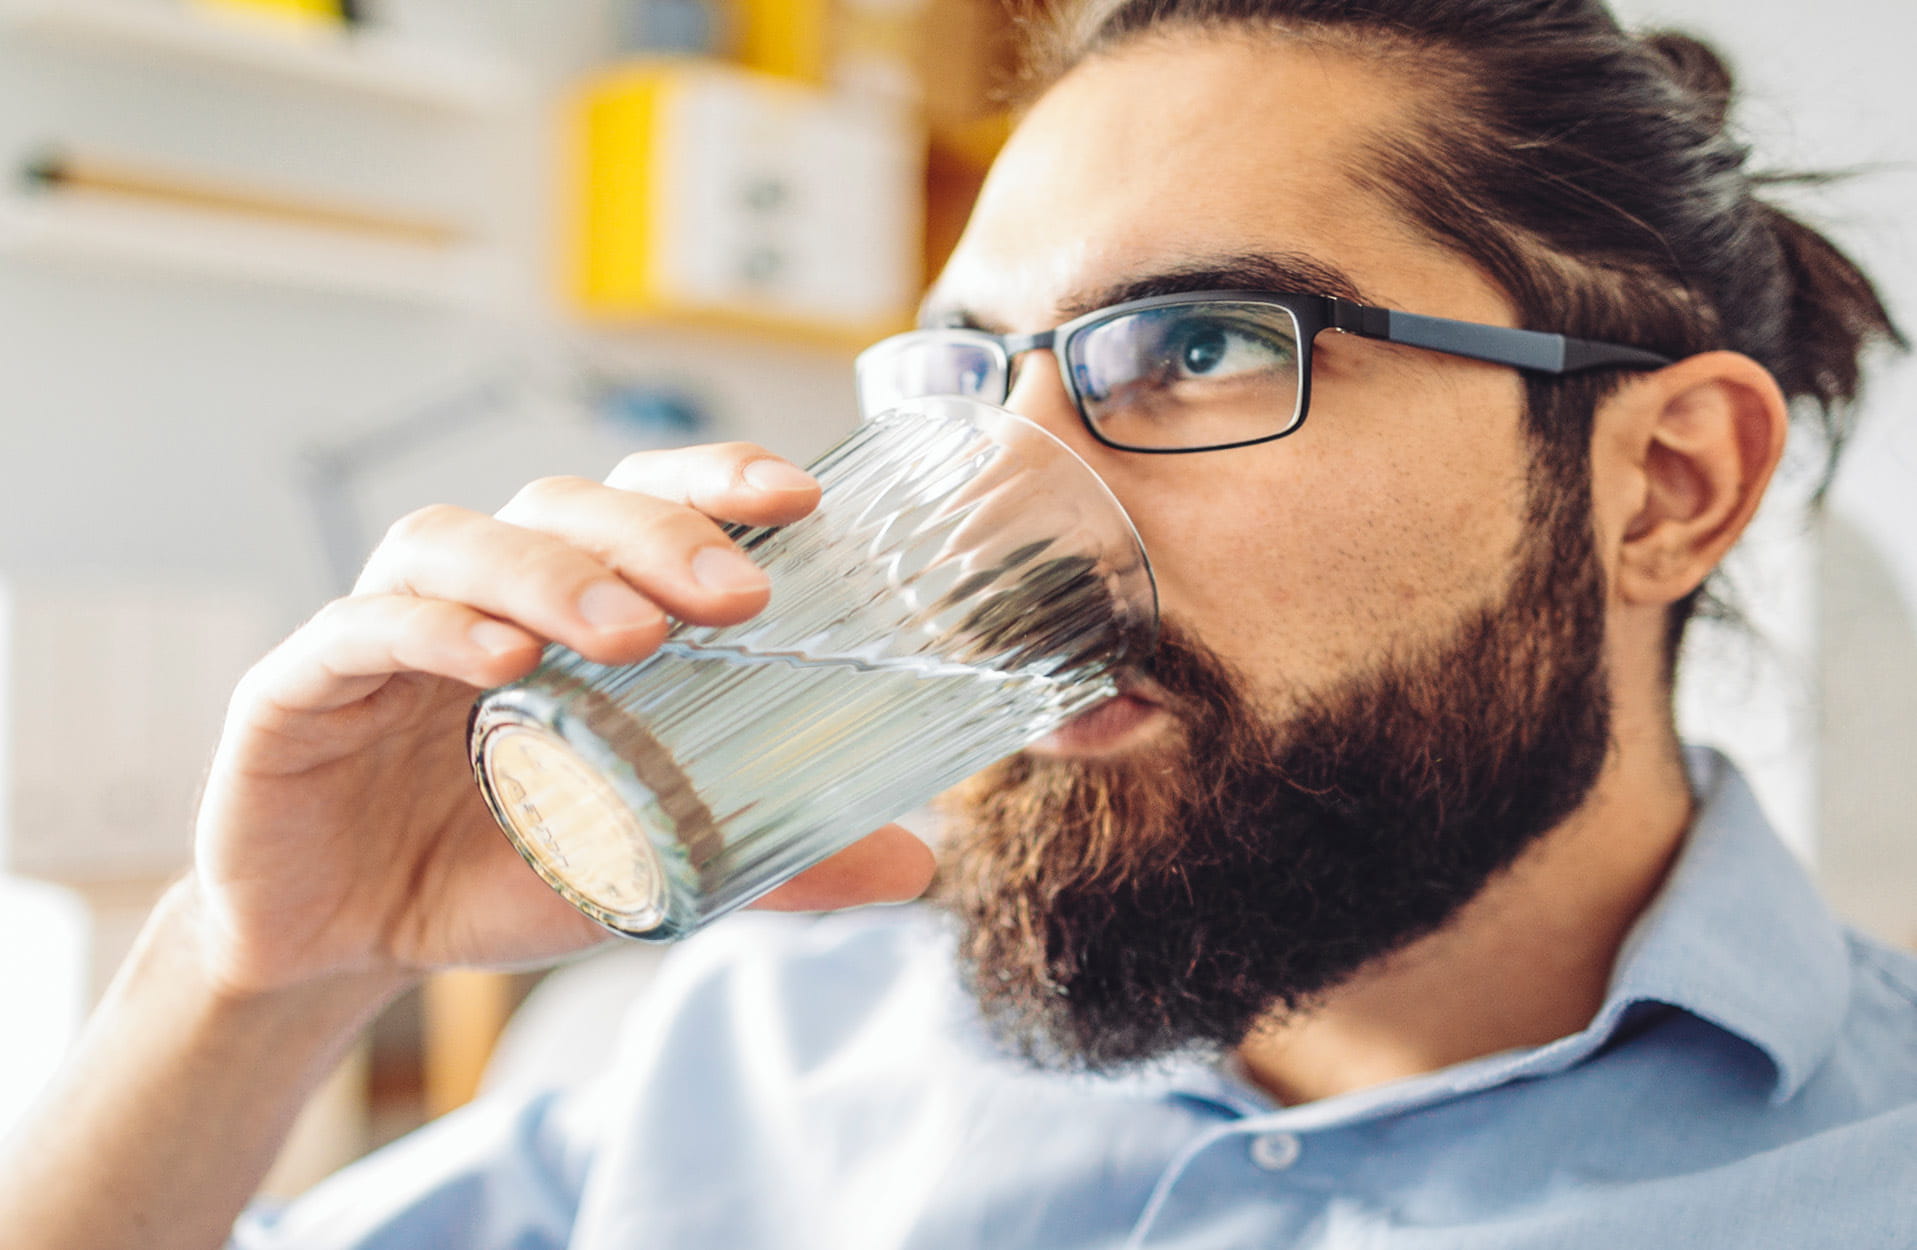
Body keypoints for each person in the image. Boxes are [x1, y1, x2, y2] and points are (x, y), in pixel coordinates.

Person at [4, 0, 1913, 1245]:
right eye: (963, 382)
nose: (998, 516)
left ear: (1664, 484)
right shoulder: (764, 1042)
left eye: (1192, 348)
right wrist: (257, 976)